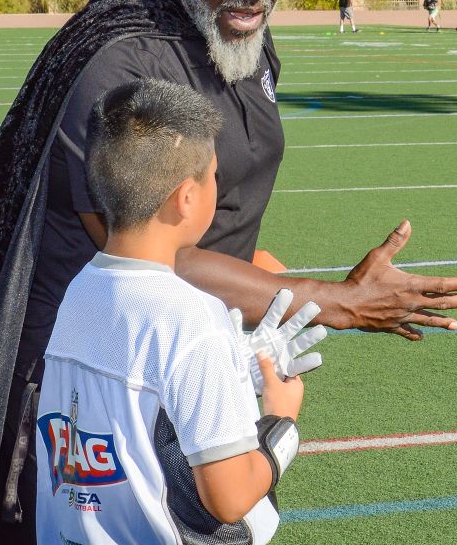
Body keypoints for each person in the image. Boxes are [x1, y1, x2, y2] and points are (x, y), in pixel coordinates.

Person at [0, 0, 457, 545]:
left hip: (189, 349)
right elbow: (151, 252)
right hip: (100, 379)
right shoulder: (124, 62)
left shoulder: (232, 26)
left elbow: (221, 213)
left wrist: (269, 283)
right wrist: (334, 302)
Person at [36, 79, 320, 544]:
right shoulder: (193, 319)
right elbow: (228, 499)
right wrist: (279, 421)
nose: (217, 186)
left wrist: (226, 380)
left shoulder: (78, 291)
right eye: (212, 175)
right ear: (186, 197)